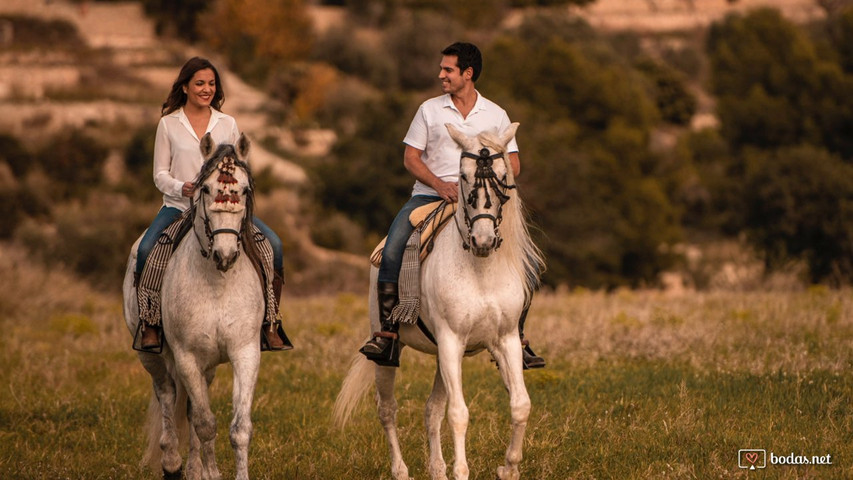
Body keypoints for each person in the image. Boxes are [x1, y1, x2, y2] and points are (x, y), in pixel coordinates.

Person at [359, 42, 545, 369]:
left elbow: (513, 164)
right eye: (442, 69)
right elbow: (411, 158)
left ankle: (518, 334)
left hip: (481, 200)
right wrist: (440, 185)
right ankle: (386, 333)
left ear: (467, 74)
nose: (441, 75)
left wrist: (483, 181)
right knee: (391, 250)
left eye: (448, 70)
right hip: (429, 196)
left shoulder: (496, 114)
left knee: (524, 262)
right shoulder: (429, 110)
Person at [135, 56, 292, 352]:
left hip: (224, 208)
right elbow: (159, 174)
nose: (206, 89)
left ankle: (271, 322)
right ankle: (151, 323)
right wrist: (184, 187)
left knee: (275, 245)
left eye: (211, 84)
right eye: (199, 84)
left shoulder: (227, 123)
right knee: (146, 251)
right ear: (185, 87)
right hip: (179, 207)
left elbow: (238, 165)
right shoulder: (168, 125)